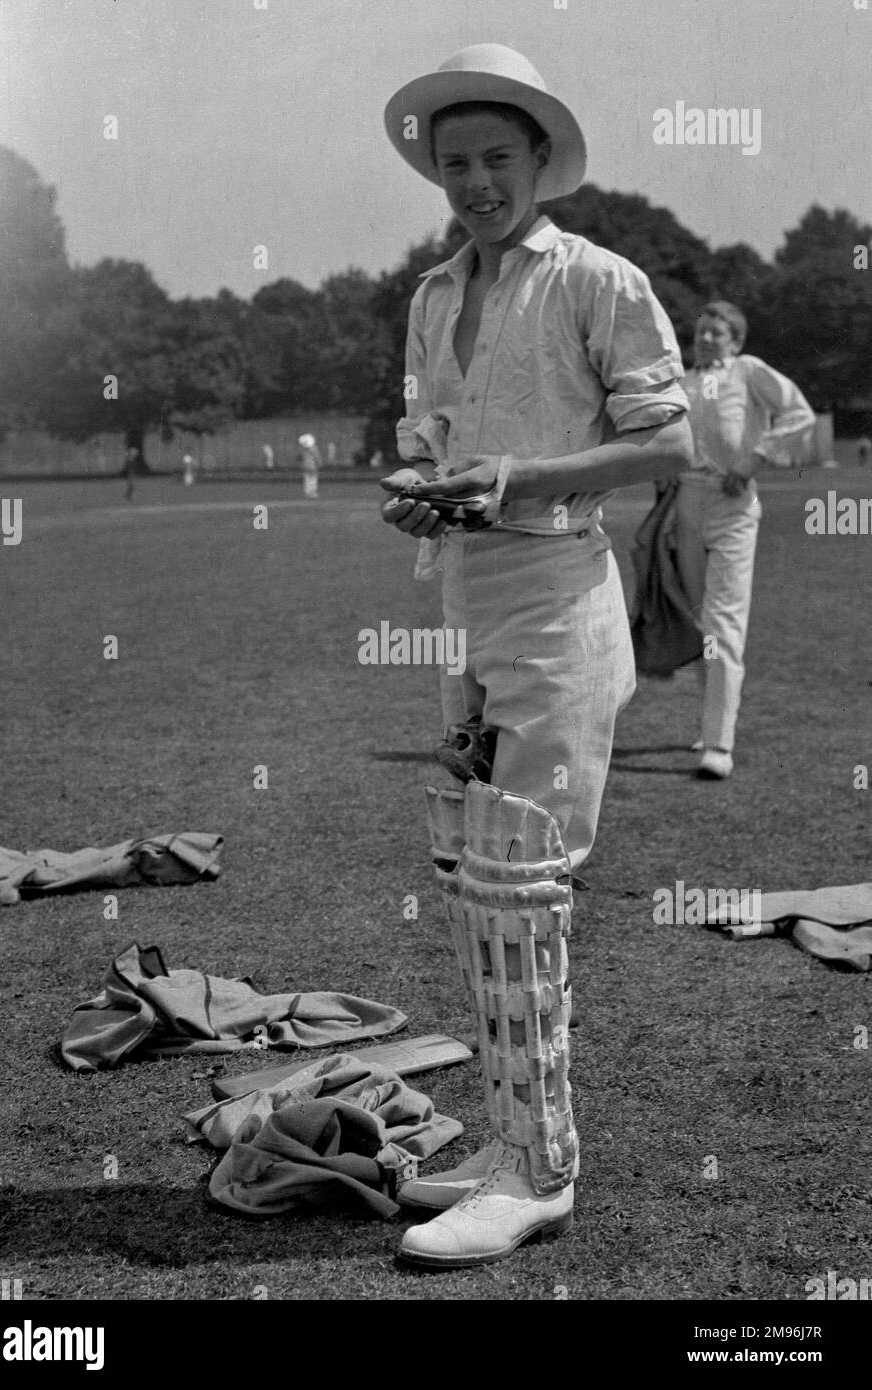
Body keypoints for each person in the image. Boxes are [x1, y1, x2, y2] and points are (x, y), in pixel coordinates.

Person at [379, 43, 693, 1268]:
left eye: (494, 159)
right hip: (465, 586)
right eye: (454, 163)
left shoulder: (597, 279)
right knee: (471, 870)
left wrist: (513, 478)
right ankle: (509, 1136)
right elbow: (432, 435)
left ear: (537, 162)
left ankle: (539, 1169)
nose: (473, 181)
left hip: (558, 585)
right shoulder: (430, 292)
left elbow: (664, 445)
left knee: (524, 875)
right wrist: (424, 487)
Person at [674, 301, 815, 779]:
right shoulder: (682, 381)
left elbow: (799, 415)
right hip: (684, 505)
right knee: (697, 620)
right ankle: (709, 720)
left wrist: (752, 462)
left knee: (723, 621)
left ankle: (719, 744)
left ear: (736, 341)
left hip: (733, 505)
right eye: (702, 331)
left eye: (718, 332)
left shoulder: (748, 371)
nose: (707, 339)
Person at [297, 433, 320, 498]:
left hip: (306, 466)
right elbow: (317, 457)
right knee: (313, 479)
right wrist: (319, 463)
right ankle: (312, 492)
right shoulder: (314, 449)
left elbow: (300, 458)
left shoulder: (303, 450)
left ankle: (308, 492)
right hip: (312, 466)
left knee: (307, 479)